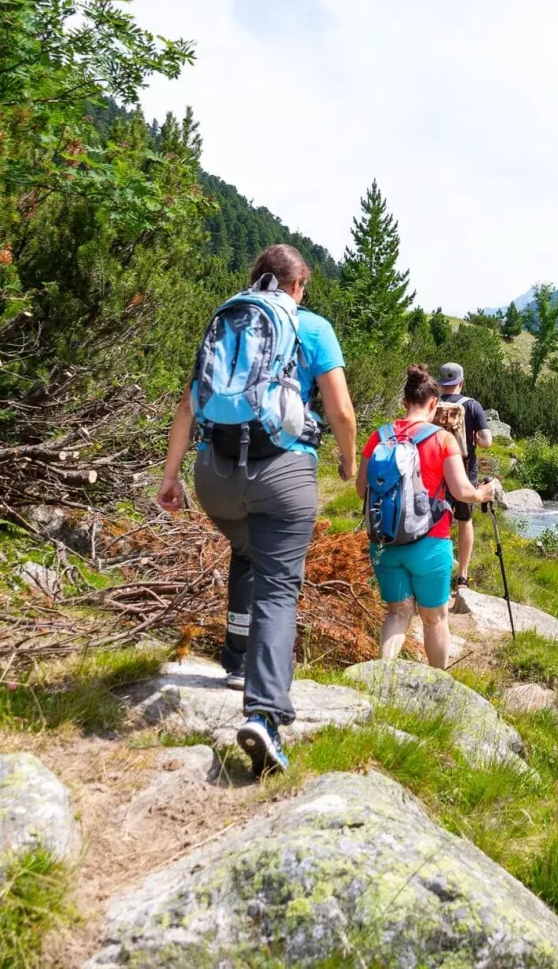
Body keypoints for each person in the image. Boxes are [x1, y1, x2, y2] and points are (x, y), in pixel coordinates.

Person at [156, 244, 356, 778]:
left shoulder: (228, 318)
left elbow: (188, 402)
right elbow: (339, 409)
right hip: (282, 473)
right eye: (304, 287)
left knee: (246, 548)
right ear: (297, 285)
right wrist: (347, 461)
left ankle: (236, 660)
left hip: (213, 475)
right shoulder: (310, 326)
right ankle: (265, 715)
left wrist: (171, 476)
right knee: (278, 583)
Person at [357, 365, 499, 667]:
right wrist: (484, 494)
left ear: (404, 402)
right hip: (430, 543)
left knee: (397, 613)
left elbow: (360, 489)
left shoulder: (378, 437)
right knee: (435, 619)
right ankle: (438, 687)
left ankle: (382, 679)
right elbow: (462, 491)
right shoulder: (442, 439)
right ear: (434, 404)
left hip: (385, 541)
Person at [437, 362, 492, 587]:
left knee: (437, 521)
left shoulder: (431, 404)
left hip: (435, 470)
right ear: (461, 382)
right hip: (464, 470)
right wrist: (477, 439)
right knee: (464, 520)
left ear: (440, 383)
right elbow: (487, 441)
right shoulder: (472, 405)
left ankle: (436, 573)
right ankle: (462, 576)